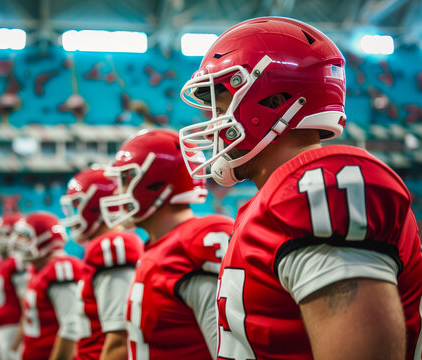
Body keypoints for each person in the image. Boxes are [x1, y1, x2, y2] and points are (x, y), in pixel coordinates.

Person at [178, 16, 422, 359]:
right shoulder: (276, 198)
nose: (210, 128)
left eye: (219, 111)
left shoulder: (322, 189)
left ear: (274, 102)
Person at [99, 129, 234, 360]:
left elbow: (228, 352)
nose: (118, 192)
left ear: (155, 183)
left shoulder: (192, 245)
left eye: (125, 180)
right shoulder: (159, 246)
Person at [60, 165, 144, 360]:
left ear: (96, 204)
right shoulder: (102, 247)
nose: (73, 214)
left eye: (76, 205)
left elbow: (119, 339)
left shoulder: (111, 248)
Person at [11, 211, 83, 360]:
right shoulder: (37, 268)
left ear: (44, 239)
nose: (17, 241)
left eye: (24, 237)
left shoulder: (61, 269)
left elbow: (71, 327)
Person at [0, 213, 28, 360]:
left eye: (2, 234)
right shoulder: (2, 262)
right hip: (1, 330)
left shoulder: (17, 263)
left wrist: (16, 344)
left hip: (13, 330)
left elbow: (27, 307)